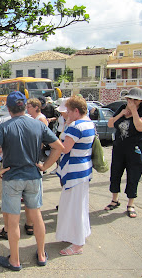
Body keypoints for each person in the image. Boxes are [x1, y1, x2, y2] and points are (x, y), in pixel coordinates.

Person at [0, 91, 63, 270]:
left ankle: (15, 260)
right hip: (33, 176)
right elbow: (59, 147)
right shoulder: (38, 124)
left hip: (12, 177)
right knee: (37, 216)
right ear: (24, 106)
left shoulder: (4, 126)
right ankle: (41, 255)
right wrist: (45, 166)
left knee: (13, 221)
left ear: (9, 109)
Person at [54, 96, 95, 256]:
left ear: (76, 111)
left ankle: (77, 243)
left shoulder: (76, 126)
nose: (67, 114)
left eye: (69, 111)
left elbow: (64, 148)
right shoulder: (89, 123)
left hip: (74, 171)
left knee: (74, 207)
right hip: (82, 169)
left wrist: (52, 142)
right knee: (78, 206)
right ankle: (77, 236)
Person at [105, 88, 142, 218]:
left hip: (135, 149)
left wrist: (133, 112)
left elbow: (140, 126)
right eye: (129, 99)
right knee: (115, 173)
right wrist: (121, 114)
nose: (131, 102)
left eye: (134, 100)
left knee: (133, 175)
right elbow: (110, 124)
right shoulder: (122, 108)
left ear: (140, 101)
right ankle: (114, 200)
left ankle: (131, 204)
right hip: (119, 147)